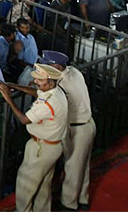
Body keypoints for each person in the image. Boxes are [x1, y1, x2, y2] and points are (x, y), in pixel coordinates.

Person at [0, 64, 70, 212]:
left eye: (39, 80)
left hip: (42, 150)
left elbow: (24, 119)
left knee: (25, 184)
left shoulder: (48, 103)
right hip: (53, 147)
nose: (36, 81)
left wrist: (8, 98)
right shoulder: (55, 91)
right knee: (43, 186)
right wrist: (13, 86)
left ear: (50, 81)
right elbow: (37, 93)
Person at [40, 51, 94, 211]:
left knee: (72, 168)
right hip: (88, 124)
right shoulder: (73, 72)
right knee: (83, 166)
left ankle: (69, 205)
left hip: (78, 129)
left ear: (57, 67)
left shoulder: (61, 85)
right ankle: (83, 199)